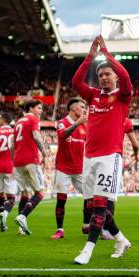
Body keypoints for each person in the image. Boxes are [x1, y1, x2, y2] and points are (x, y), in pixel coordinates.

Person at [72, 35, 132, 265]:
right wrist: (90, 56)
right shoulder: (93, 95)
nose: (104, 77)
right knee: (93, 206)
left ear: (115, 76)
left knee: (99, 206)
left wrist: (107, 55)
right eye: (100, 75)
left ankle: (87, 250)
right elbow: (76, 83)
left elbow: (126, 77)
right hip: (90, 157)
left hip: (110, 157)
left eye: (108, 74)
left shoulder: (123, 96)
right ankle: (121, 240)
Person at [50, 97, 88, 240]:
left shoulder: (86, 126)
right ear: (73, 109)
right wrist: (78, 123)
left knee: (89, 197)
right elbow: (62, 135)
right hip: (63, 168)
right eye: (81, 107)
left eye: (85, 107)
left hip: (80, 169)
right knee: (61, 199)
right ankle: (60, 230)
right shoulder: (62, 123)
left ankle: (86, 225)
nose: (84, 110)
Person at [11, 99, 48, 235]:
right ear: (31, 109)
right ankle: (23, 216)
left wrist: (13, 160)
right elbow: (37, 137)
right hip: (30, 160)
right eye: (39, 108)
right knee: (40, 193)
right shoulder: (33, 120)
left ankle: (21, 228)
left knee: (25, 194)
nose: (41, 111)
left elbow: (12, 146)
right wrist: (44, 152)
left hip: (18, 162)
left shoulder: (17, 123)